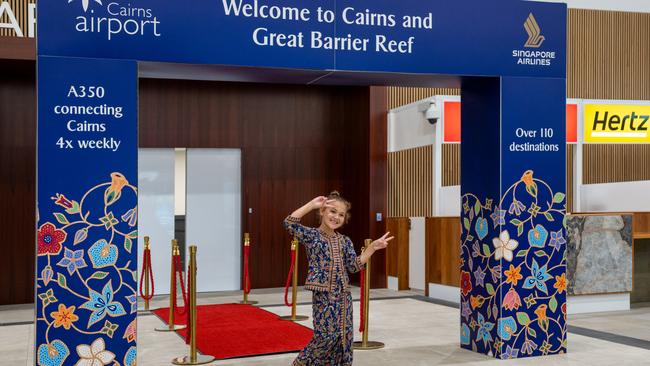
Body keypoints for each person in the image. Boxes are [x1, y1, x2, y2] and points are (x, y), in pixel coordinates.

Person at [283, 192, 393, 366]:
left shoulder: (345, 241)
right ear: (322, 212)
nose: (336, 217)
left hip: (344, 297)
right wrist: (312, 204)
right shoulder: (312, 235)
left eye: (341, 214)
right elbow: (289, 223)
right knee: (325, 337)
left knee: (344, 339)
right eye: (332, 211)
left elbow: (353, 266)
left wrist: (372, 248)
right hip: (324, 296)